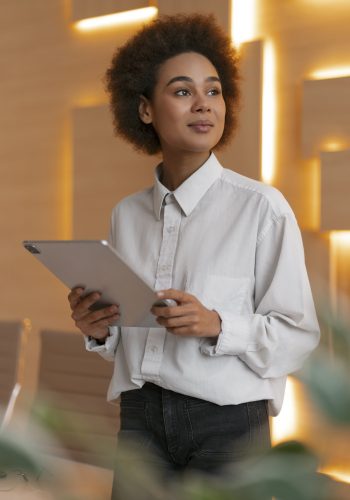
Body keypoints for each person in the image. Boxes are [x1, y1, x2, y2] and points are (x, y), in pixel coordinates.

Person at [68, 12, 320, 494]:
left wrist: (219, 324)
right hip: (140, 419)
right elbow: (133, 339)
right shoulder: (126, 215)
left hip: (228, 429)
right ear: (144, 109)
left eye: (214, 90)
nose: (204, 105)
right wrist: (100, 331)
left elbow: (299, 337)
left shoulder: (262, 209)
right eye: (183, 91)